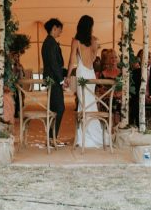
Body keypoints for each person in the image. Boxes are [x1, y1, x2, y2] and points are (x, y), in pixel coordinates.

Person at [71, 15, 109, 148]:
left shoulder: (75, 41)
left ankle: (84, 138)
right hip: (90, 73)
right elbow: (93, 60)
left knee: (84, 104)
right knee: (89, 103)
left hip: (81, 73)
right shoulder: (94, 40)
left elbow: (71, 61)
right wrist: (95, 49)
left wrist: (67, 76)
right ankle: (85, 136)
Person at [41, 18, 66, 145]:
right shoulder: (50, 43)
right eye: (60, 29)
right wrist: (61, 80)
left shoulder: (49, 42)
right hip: (53, 79)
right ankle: (52, 137)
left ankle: (51, 137)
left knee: (54, 109)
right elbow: (54, 63)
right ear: (54, 28)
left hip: (51, 78)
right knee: (60, 108)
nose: (60, 32)